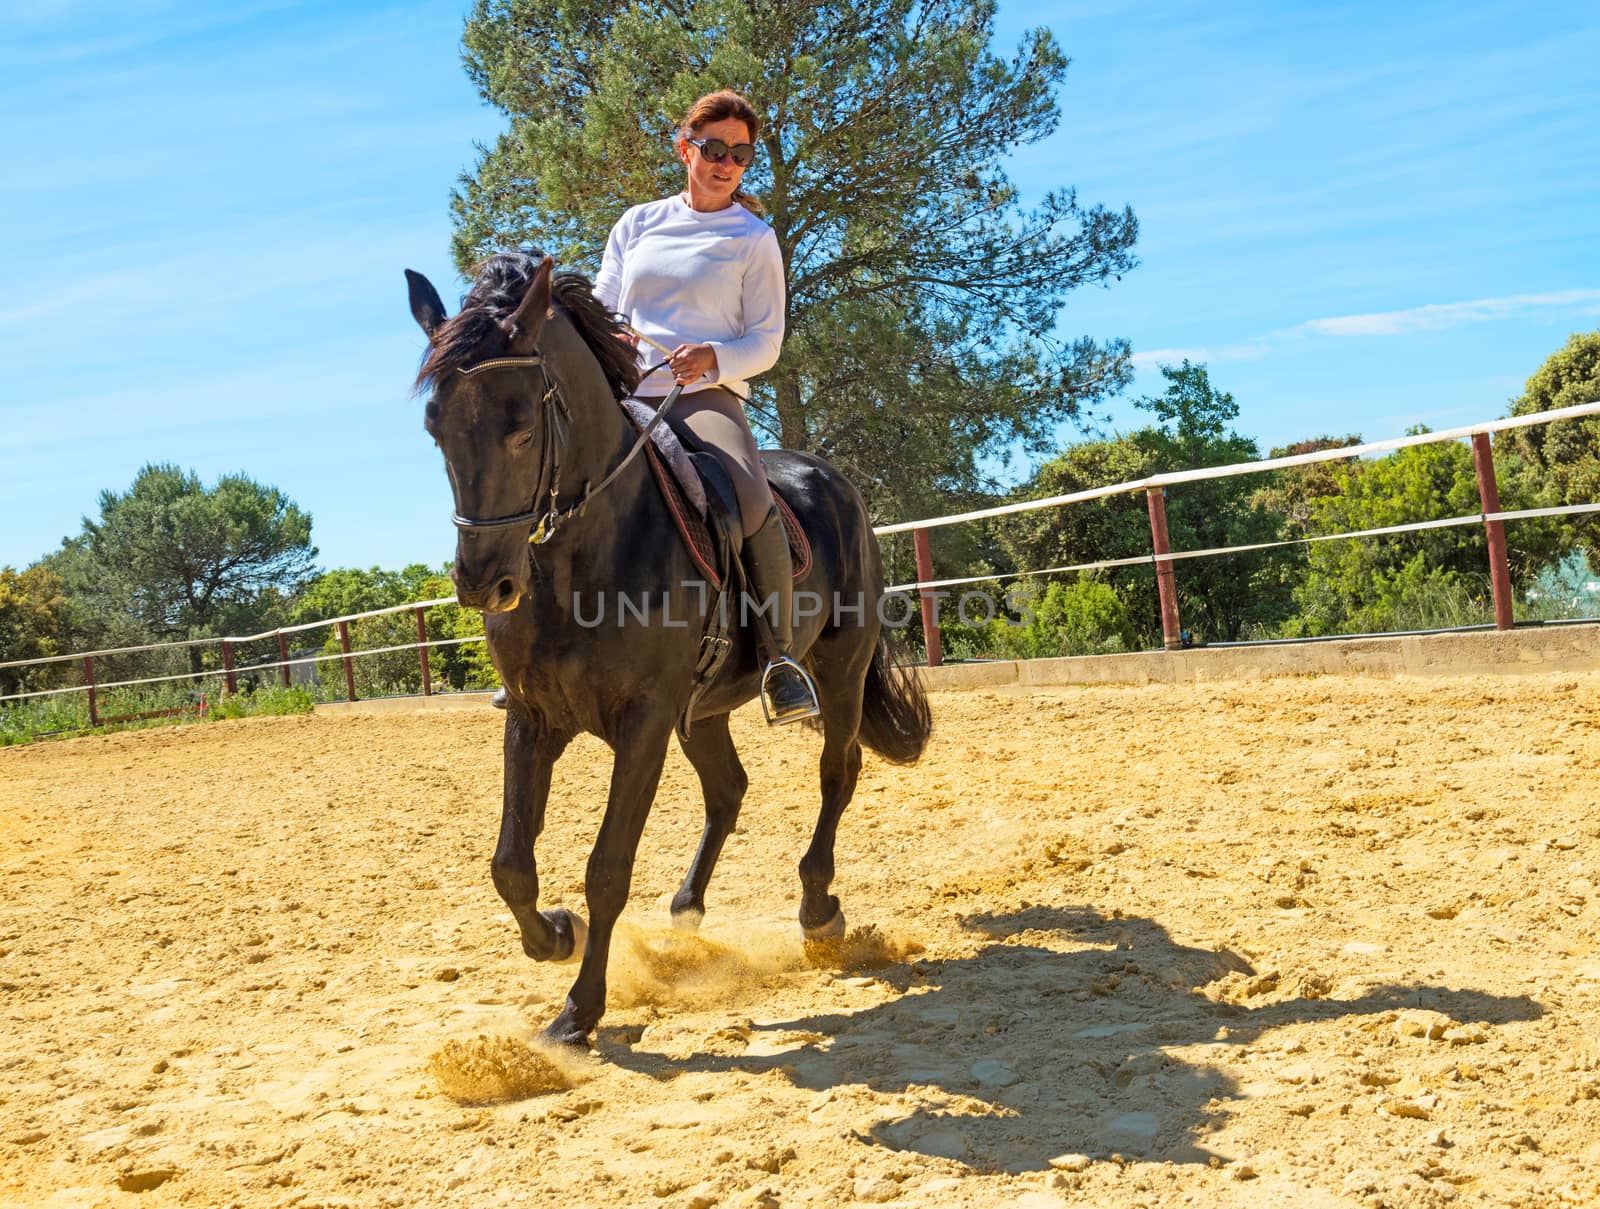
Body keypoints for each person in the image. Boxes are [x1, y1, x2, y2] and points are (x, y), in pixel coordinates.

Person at [592, 88, 819, 724]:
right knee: (548, 472)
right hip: (625, 388)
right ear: (685, 148)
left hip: (703, 395)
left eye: (740, 154)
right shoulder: (636, 223)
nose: (726, 162)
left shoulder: (754, 239)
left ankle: (780, 659)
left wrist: (713, 359)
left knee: (749, 494)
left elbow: (767, 341)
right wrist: (609, 331)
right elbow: (605, 299)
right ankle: (538, 645)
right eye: (714, 148)